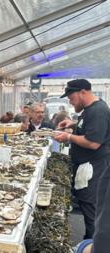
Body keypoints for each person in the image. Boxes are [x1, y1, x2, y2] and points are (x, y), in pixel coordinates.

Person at [54, 79, 110, 253]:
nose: (70, 101)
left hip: (94, 169)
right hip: (88, 166)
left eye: (71, 96)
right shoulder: (89, 110)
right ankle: (89, 241)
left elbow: (93, 143)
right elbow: (88, 130)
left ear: (83, 92)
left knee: (91, 209)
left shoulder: (98, 111)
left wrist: (68, 137)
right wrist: (73, 125)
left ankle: (94, 246)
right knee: (88, 208)